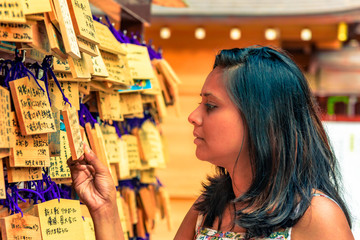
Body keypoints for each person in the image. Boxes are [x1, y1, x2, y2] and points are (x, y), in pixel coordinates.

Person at [68, 46, 354, 240]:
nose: (193, 117)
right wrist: (105, 209)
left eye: (211, 106)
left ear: (260, 118)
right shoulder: (208, 207)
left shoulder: (317, 216)